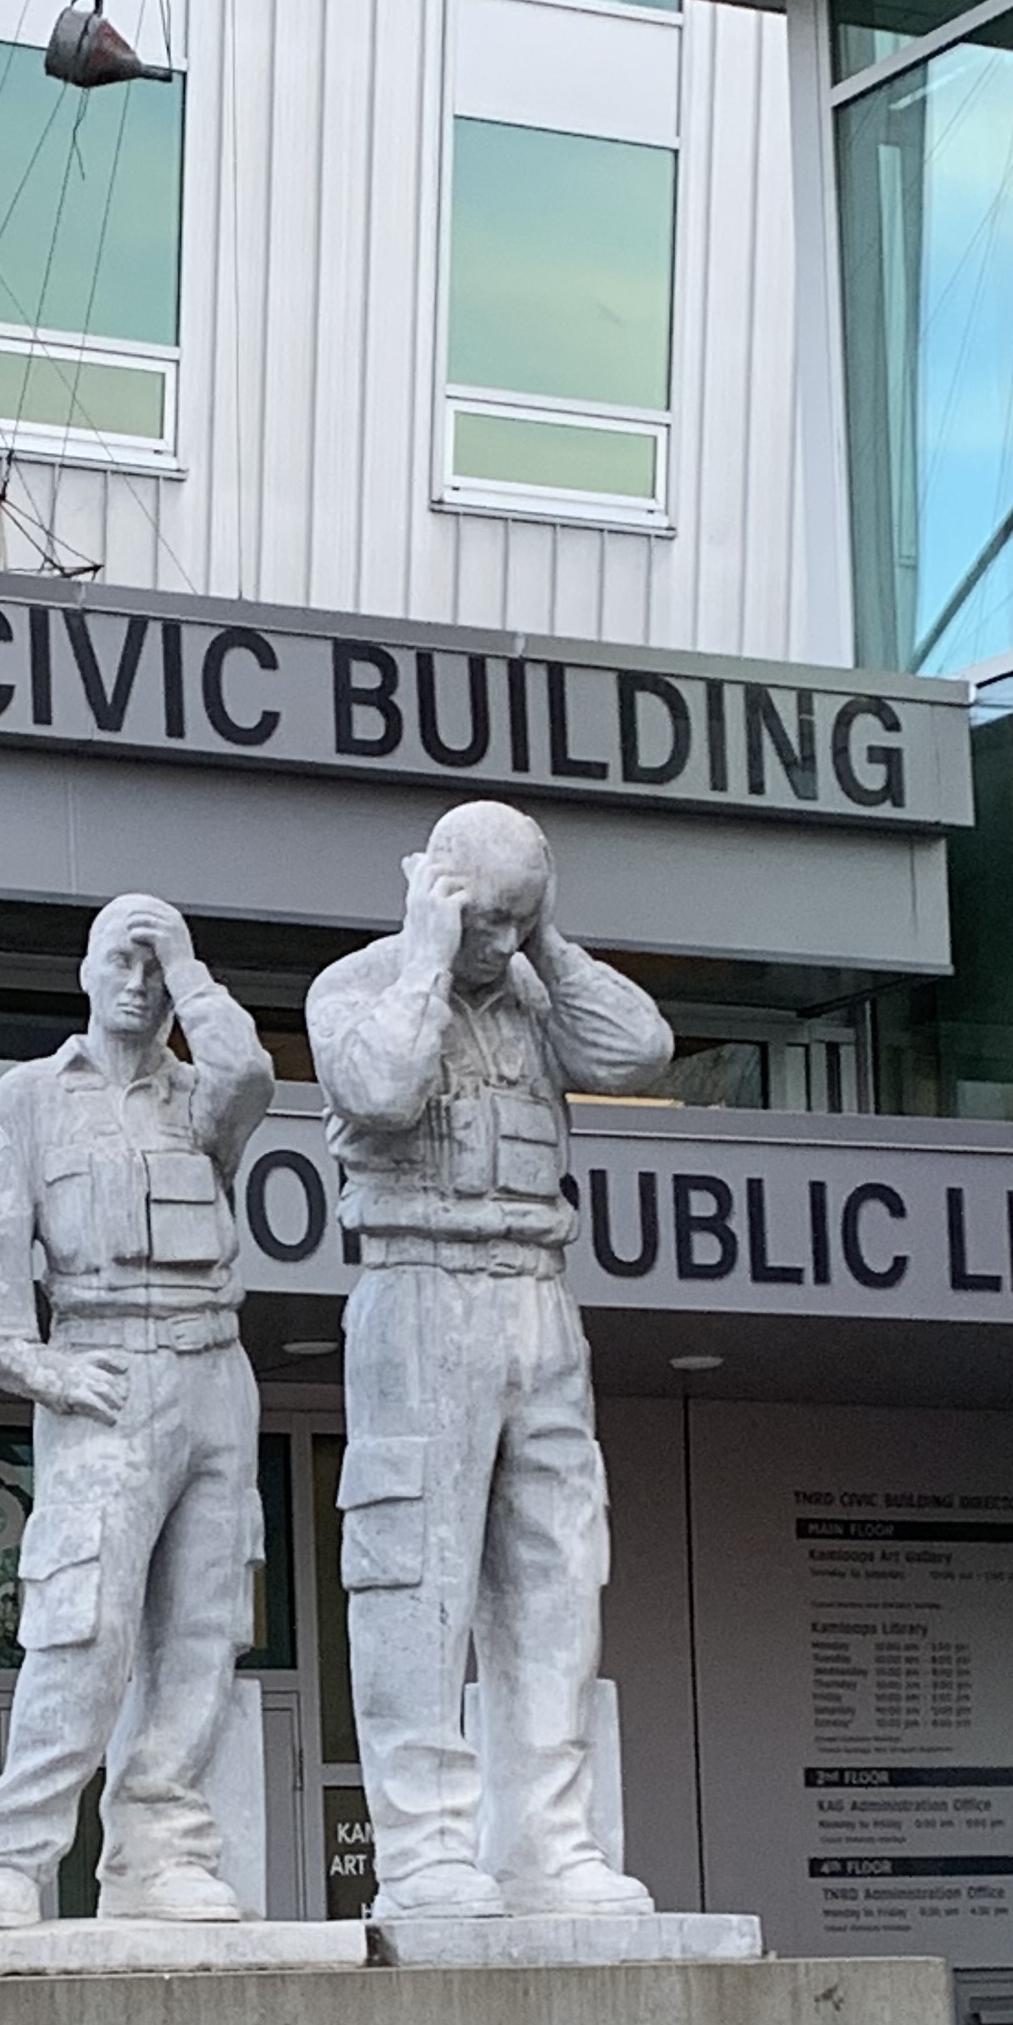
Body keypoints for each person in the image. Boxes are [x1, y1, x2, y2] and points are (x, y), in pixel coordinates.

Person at [306, 799, 675, 1920]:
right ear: (434, 889)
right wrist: (428, 953)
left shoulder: (537, 988)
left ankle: (548, 1843)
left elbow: (643, 1050)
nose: (500, 941)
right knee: (414, 1574)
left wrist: (547, 945)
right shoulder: (358, 986)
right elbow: (379, 1088)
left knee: (557, 1575)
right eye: (487, 918)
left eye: (522, 916)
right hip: (421, 1287)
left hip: (539, 1297)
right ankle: (422, 1851)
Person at [0, 895, 274, 1931]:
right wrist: (39, 1368)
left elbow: (252, 1075)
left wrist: (191, 968)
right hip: (106, 1370)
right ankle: (11, 1858)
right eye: (122, 961)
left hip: (215, 1369)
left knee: (203, 1632)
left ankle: (160, 1848)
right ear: (84, 973)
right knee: (81, 1629)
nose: (138, 983)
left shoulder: (202, 1096)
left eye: (155, 968)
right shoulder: (31, 1096)